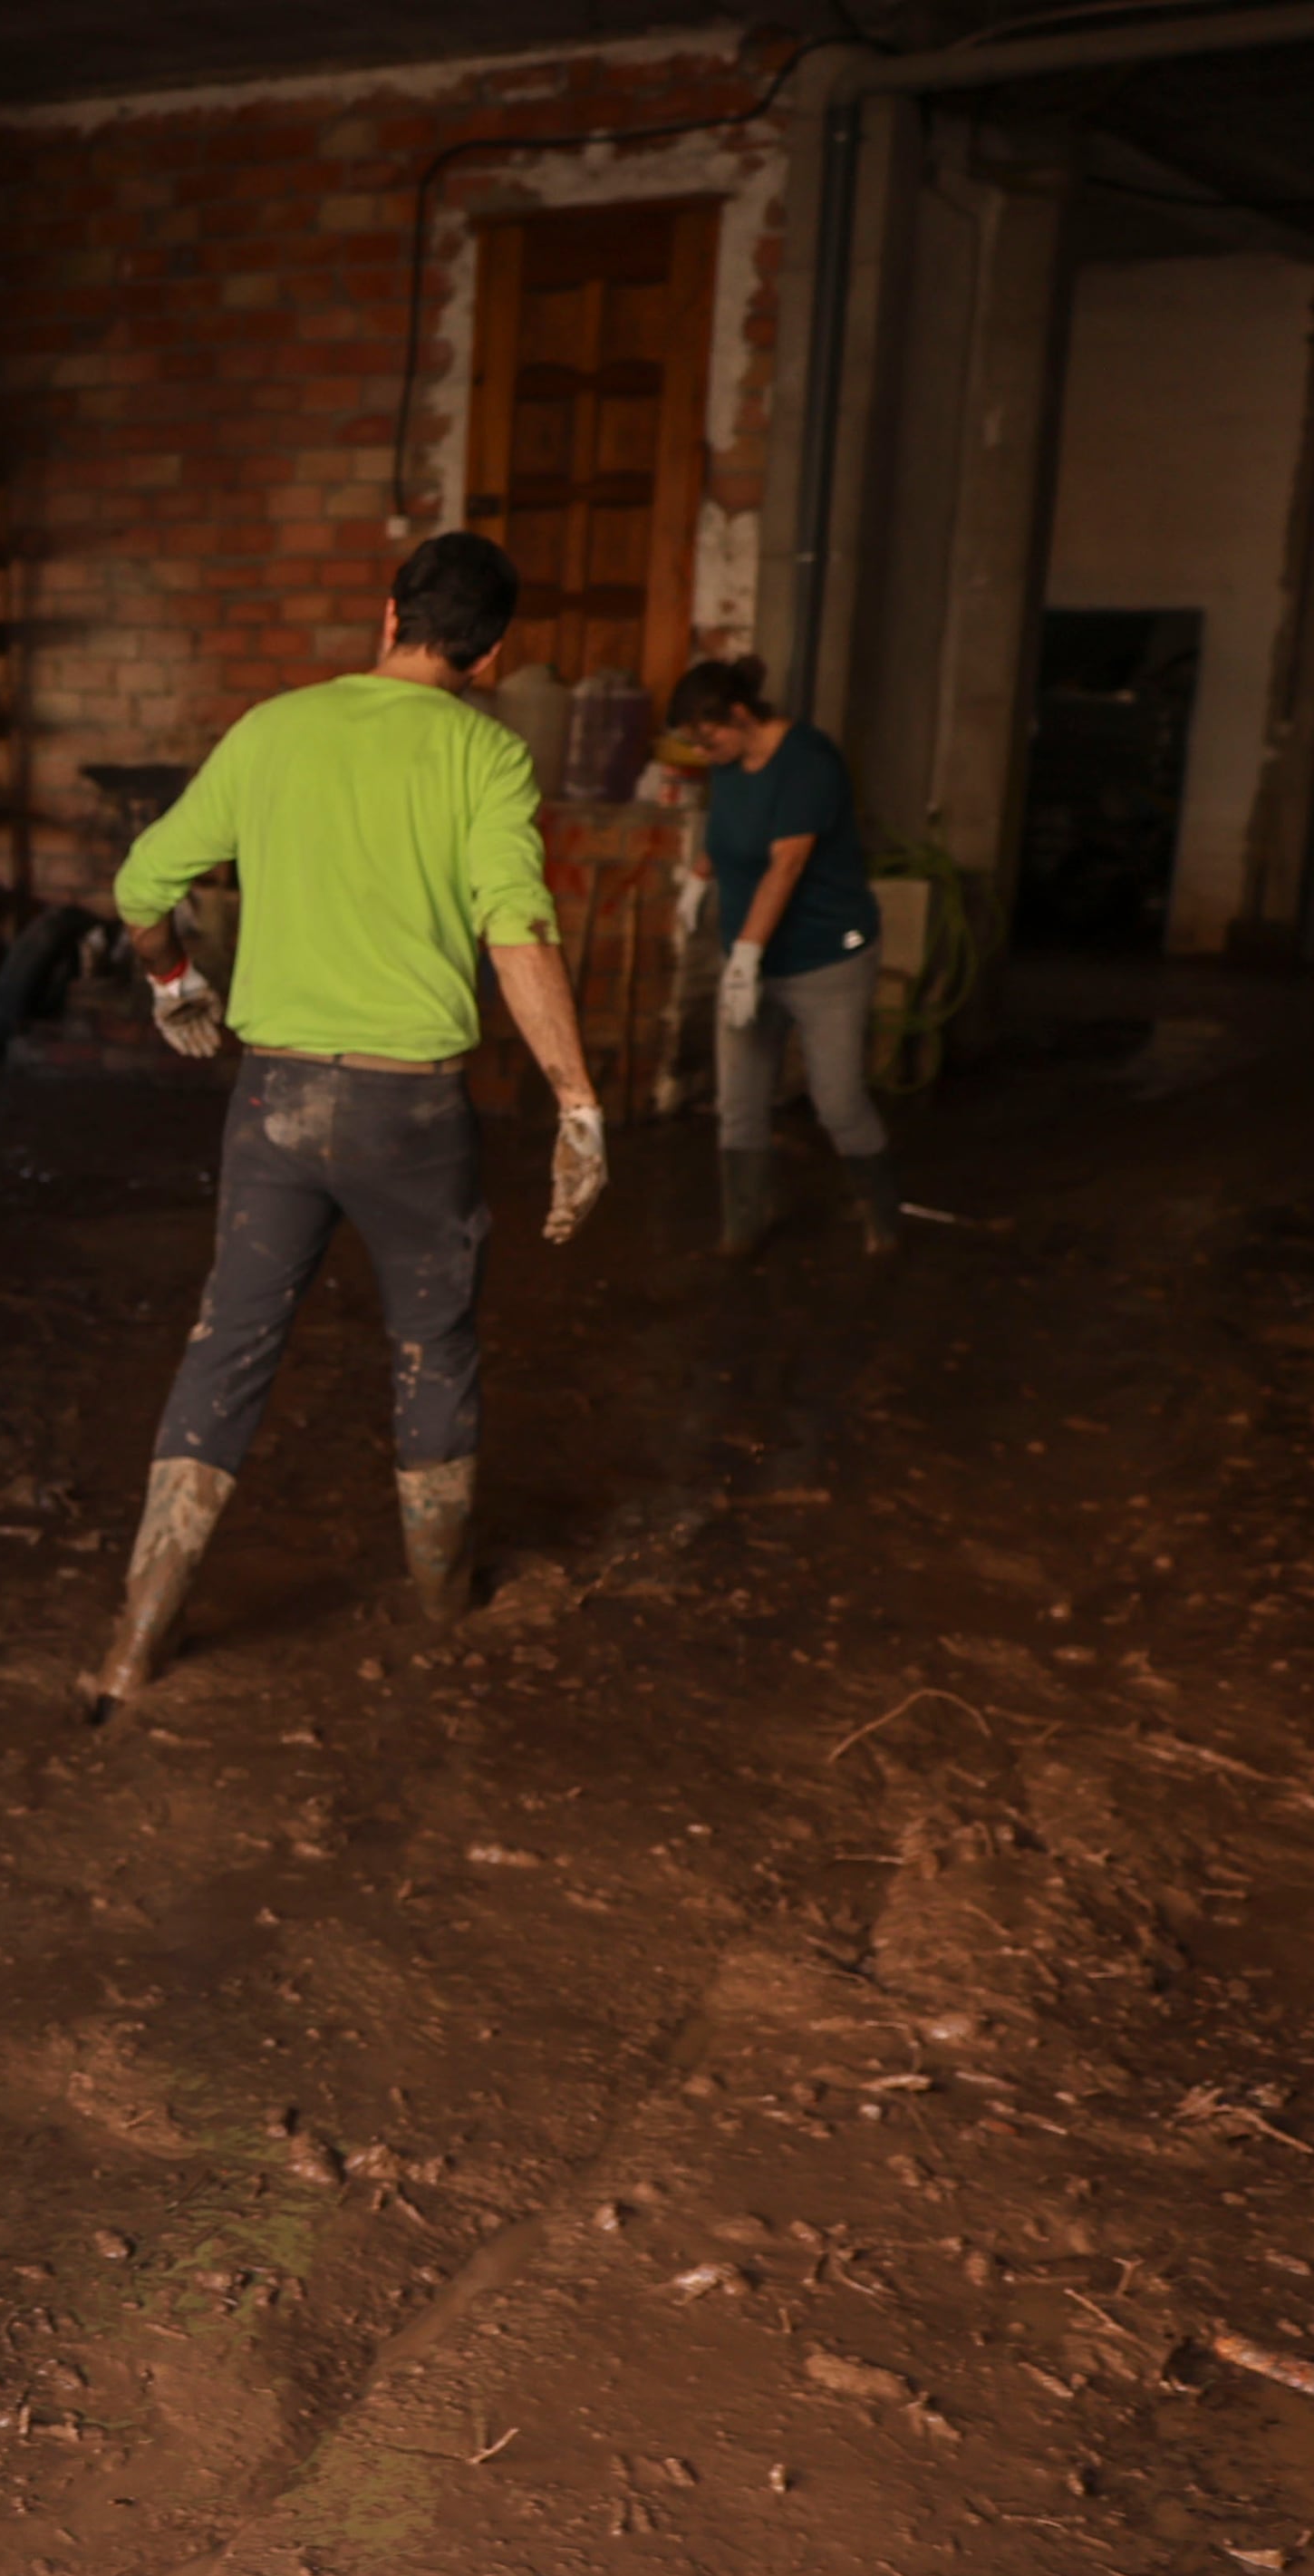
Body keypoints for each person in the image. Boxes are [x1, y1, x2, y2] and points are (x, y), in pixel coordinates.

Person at [78, 530, 614, 1718]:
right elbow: (516, 930)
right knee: (435, 1341)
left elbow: (140, 888)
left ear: (389, 616)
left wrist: (173, 984)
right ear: (493, 652)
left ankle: (133, 1642)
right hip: (411, 1110)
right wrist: (577, 1100)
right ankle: (441, 1608)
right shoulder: (488, 756)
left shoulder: (275, 728)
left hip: (273, 1099)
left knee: (229, 1346)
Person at [668, 656, 895, 1255]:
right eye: (694, 739)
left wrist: (745, 955)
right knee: (738, 1100)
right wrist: (697, 878)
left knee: (838, 1100)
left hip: (827, 958)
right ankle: (743, 1221)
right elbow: (728, 830)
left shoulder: (809, 763)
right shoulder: (731, 762)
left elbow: (786, 862)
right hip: (752, 960)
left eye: (707, 734)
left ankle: (881, 1213)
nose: (703, 748)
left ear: (740, 715)